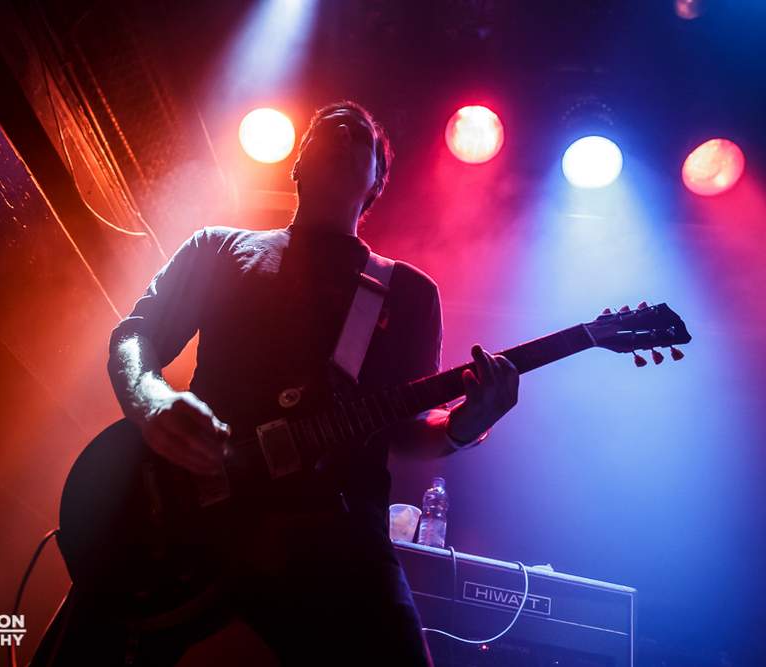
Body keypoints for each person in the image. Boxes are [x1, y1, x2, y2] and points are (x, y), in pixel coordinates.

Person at [43, 101, 519, 666]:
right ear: (296, 164)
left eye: (362, 137)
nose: (345, 130)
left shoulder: (410, 293)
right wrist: (151, 402)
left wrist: (472, 421)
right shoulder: (218, 247)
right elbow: (135, 334)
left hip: (335, 541)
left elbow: (409, 432)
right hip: (187, 511)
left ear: (376, 184)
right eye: (328, 128)